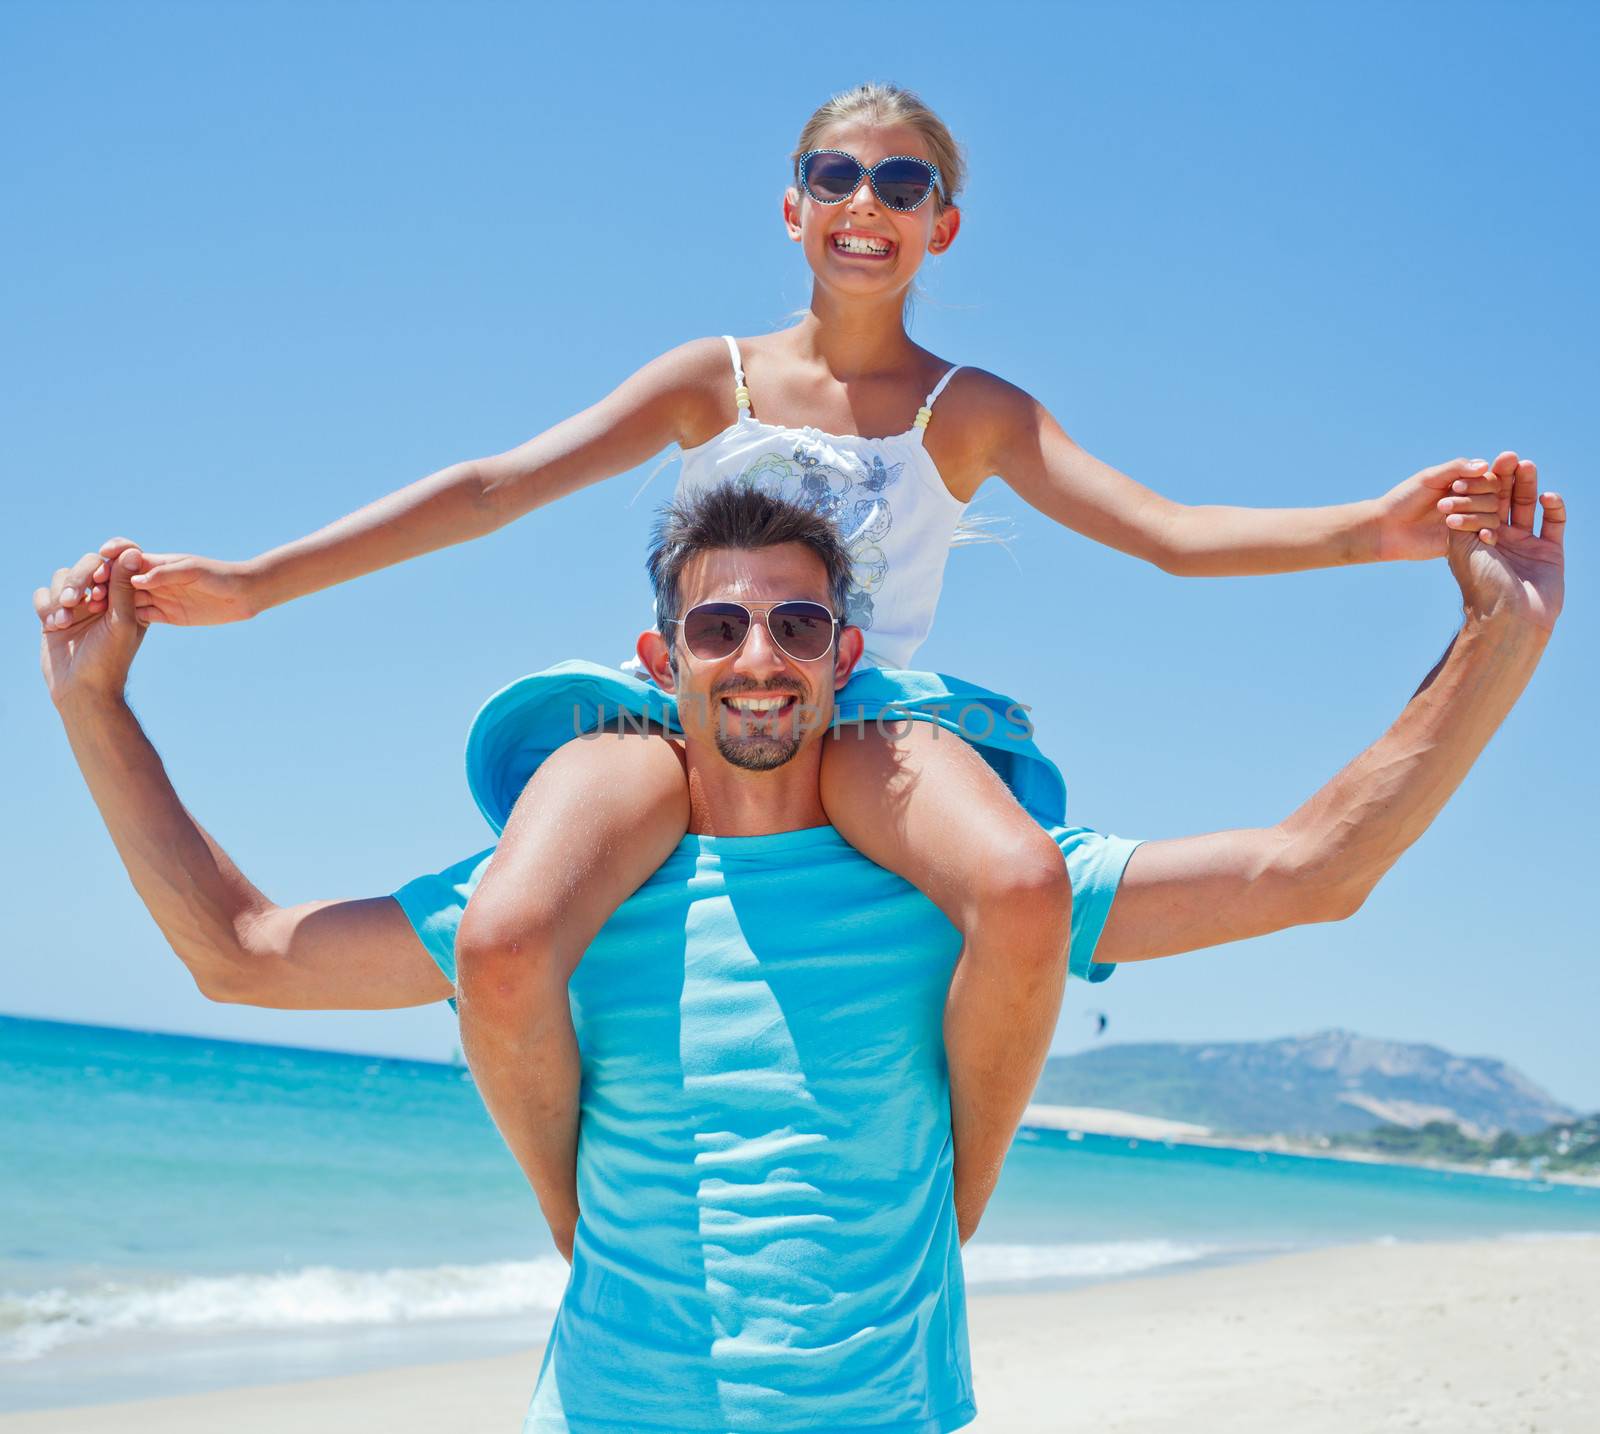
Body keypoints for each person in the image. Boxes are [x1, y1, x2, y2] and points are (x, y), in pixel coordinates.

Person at [35, 79, 1537, 1263]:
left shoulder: (974, 408)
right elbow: (495, 484)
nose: (865, 201)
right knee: (503, 933)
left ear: (944, 224)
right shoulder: (716, 377)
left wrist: (1381, 528)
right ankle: (585, 1231)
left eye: (903, 181)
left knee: (1018, 890)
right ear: (792, 206)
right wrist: (255, 581)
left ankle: (948, 1208)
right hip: (665, 710)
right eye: (838, 175)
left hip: (873, 717)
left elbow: (1177, 537)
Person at [37, 475, 1564, 1433]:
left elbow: (1316, 868)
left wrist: (1502, 636)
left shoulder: (943, 885)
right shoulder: (568, 886)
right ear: (660, 659)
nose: (757, 654)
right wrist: (95, 703)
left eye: (795, 621)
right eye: (717, 625)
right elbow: (241, 955)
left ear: (847, 652)